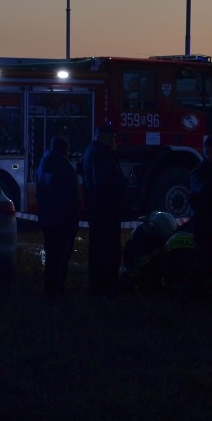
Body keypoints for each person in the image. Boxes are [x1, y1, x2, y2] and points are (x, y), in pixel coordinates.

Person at [178, 134, 212, 304]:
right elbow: (204, 191)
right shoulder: (199, 173)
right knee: (202, 263)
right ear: (209, 151)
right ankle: (185, 299)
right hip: (205, 226)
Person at [82, 124, 126, 298]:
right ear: (102, 137)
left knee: (98, 249)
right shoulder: (100, 155)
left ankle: (99, 286)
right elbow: (103, 183)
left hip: (99, 210)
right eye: (111, 137)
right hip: (106, 211)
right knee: (108, 249)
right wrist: (122, 181)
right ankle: (107, 287)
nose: (114, 141)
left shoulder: (92, 152)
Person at [35, 136, 80, 298]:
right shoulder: (65, 168)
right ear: (65, 151)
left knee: (52, 254)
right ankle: (58, 288)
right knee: (61, 256)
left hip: (48, 219)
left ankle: (49, 286)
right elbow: (71, 197)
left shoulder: (43, 165)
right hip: (63, 221)